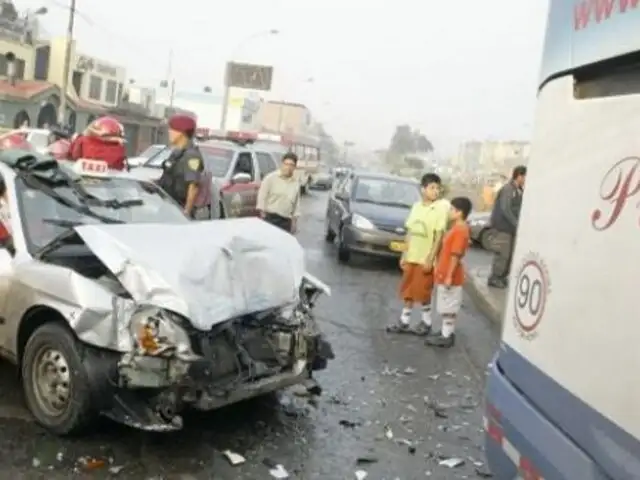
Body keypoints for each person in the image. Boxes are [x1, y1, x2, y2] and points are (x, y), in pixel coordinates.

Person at [387, 173, 449, 335]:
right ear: (423, 189)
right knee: (407, 289)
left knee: (423, 292)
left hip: (425, 259)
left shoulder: (440, 209)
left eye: (438, 188)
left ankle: (426, 322)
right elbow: (410, 232)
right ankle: (404, 321)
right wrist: (404, 254)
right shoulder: (416, 207)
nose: (435, 191)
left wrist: (431, 258)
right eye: (432, 188)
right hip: (411, 256)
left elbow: (439, 236)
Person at [425, 196, 472, 348]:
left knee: (449, 305)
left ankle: (447, 336)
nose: (450, 212)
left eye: (452, 209)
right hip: (444, 272)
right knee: (445, 304)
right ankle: (445, 332)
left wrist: (449, 275)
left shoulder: (460, 230)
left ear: (460, 212)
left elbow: (455, 254)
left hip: (450, 274)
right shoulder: (456, 228)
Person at [157, 114, 204, 218]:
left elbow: (193, 186)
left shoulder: (191, 155)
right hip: (167, 205)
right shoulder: (176, 153)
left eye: (172, 129)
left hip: (178, 208)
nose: (169, 132)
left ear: (181, 132)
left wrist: (186, 212)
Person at [487, 165, 526, 289]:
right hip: (503, 227)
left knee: (509, 255)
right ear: (519, 176)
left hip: (511, 228)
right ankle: (495, 277)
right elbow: (505, 208)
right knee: (503, 253)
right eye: (525, 176)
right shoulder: (508, 189)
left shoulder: (519, 189)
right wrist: (516, 223)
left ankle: (502, 277)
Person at [256, 151, 301, 233]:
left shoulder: (295, 183)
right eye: (286, 164)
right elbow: (262, 197)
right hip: (270, 218)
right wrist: (263, 216)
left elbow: (296, 205)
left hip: (286, 221)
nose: (288, 167)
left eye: (291, 165)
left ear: (295, 167)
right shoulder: (270, 178)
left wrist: (294, 223)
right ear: (282, 165)